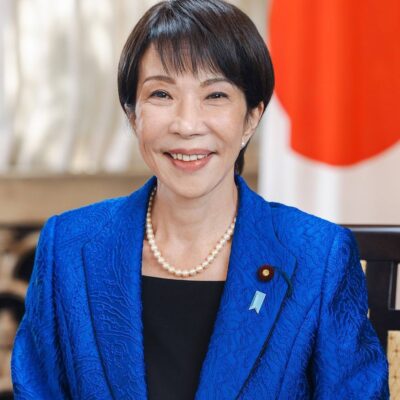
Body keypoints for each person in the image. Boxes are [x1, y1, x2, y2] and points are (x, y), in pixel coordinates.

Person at [11, 0, 389, 399]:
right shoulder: (68, 246)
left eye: (215, 95)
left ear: (251, 118)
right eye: (161, 93)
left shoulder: (318, 257)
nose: (187, 124)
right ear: (133, 115)